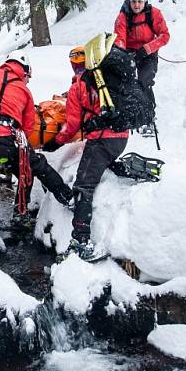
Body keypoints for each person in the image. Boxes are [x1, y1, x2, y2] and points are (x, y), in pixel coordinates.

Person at [0, 51, 73, 227]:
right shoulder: (24, 91)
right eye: (28, 77)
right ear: (24, 71)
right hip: (9, 139)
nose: (28, 80)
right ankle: (64, 199)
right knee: (35, 168)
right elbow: (27, 125)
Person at [41, 46, 133, 261]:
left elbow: (72, 125)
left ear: (74, 64)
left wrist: (56, 142)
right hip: (121, 137)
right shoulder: (109, 80)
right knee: (97, 166)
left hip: (101, 139)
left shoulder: (78, 87)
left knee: (83, 186)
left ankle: (81, 241)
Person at [113, 0, 170, 135]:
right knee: (127, 83)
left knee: (145, 82)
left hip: (148, 52)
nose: (136, 5)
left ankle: (149, 117)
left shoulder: (154, 14)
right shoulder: (123, 17)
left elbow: (165, 36)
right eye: (133, 2)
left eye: (139, 1)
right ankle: (131, 113)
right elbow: (119, 39)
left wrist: (148, 48)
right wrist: (123, 55)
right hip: (130, 53)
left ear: (145, 0)